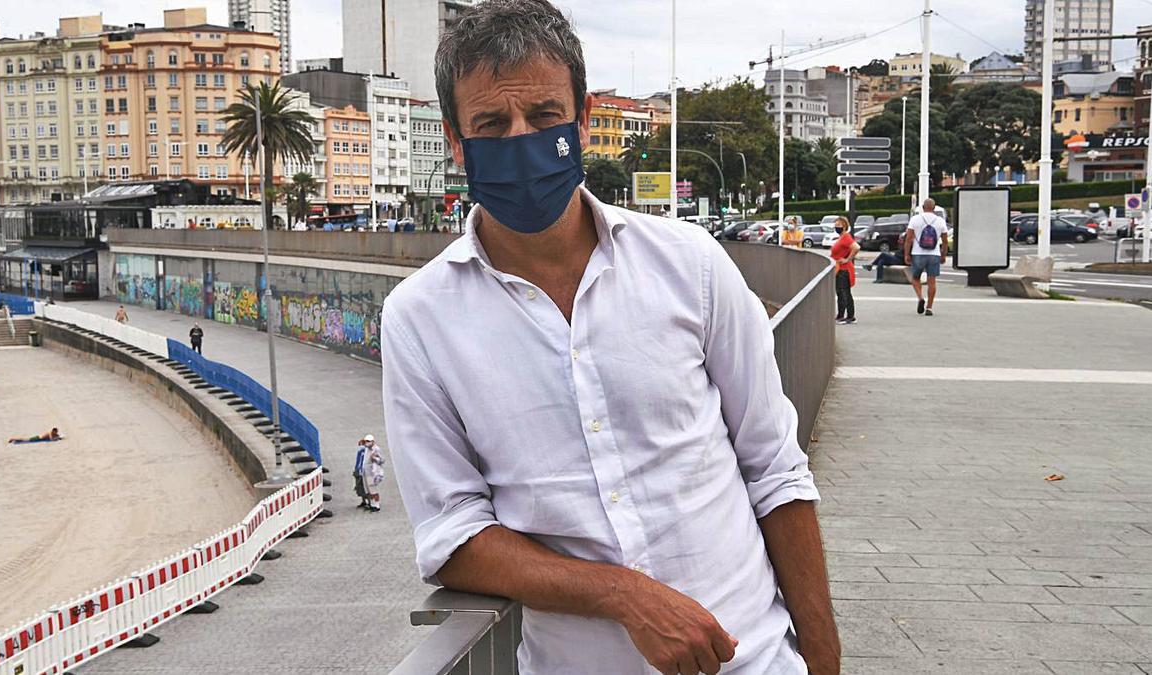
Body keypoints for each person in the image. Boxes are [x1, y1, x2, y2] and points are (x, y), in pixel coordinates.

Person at [381, 2, 839, 673]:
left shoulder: (692, 265)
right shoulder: (419, 319)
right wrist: (624, 595)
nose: (520, 141)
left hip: (757, 661)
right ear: (457, 143)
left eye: (542, 117)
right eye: (491, 125)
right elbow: (454, 534)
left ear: (583, 120)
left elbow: (776, 472)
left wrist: (825, 663)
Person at [903, 198, 950, 316]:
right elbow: (945, 241)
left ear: (923, 208)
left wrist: (907, 254)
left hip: (918, 253)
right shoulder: (940, 221)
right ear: (934, 208)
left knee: (915, 278)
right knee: (932, 281)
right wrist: (943, 255)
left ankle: (920, 298)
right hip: (934, 254)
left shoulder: (915, 219)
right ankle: (929, 307)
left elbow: (908, 239)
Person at [830, 216, 859, 324]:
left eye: (839, 225)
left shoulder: (846, 237)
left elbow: (856, 247)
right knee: (842, 292)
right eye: (836, 225)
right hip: (840, 268)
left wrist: (847, 259)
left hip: (844, 269)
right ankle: (842, 314)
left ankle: (848, 316)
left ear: (844, 226)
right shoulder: (842, 238)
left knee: (844, 293)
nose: (836, 227)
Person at [361, 435, 385, 512]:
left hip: (372, 472)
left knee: (373, 489)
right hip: (365, 471)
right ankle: (371, 504)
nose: (366, 443)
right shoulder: (366, 449)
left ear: (372, 441)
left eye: (368, 441)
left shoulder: (376, 449)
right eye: (366, 441)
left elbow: (382, 460)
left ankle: (377, 505)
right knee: (368, 489)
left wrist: (374, 458)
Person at [353, 436, 372, 510]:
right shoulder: (360, 452)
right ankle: (363, 501)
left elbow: (363, 462)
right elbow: (358, 461)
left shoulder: (365, 452)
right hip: (358, 470)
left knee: (365, 487)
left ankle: (370, 502)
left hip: (363, 472)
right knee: (359, 487)